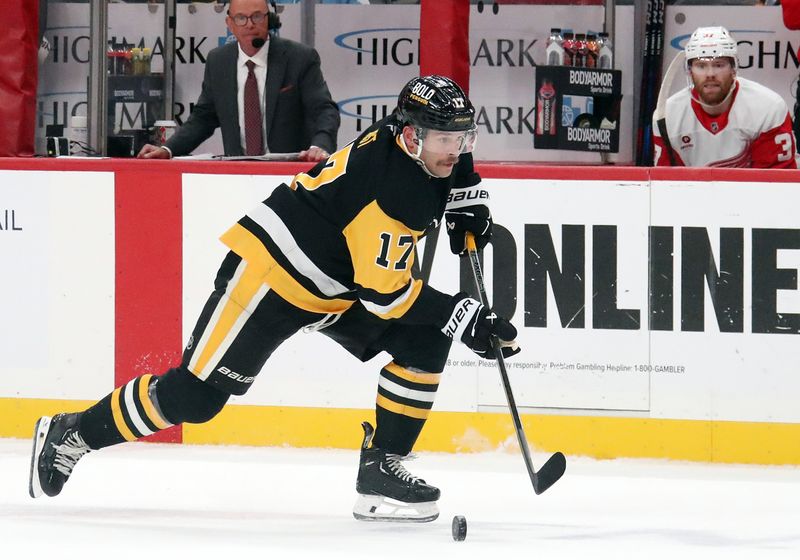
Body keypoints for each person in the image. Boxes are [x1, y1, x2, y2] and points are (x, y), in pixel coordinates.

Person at [29, 75, 520, 523]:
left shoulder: (413, 141)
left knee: (426, 342)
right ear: (410, 136)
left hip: (332, 283)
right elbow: (386, 297)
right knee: (195, 398)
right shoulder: (393, 193)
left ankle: (381, 471)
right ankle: (71, 433)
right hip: (271, 278)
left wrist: (466, 192)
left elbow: (453, 158)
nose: (455, 150)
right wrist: (464, 316)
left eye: (463, 139)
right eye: (445, 141)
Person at [138, 0, 340, 162]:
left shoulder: (300, 58)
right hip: (236, 173)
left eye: (257, 16)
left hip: (288, 173)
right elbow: (204, 118)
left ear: (269, 19)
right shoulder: (218, 61)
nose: (250, 24)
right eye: (241, 18)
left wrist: (320, 146)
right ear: (230, 24)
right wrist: (168, 149)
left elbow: (324, 110)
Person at [652, 26, 798, 168]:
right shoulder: (668, 115)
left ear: (734, 69)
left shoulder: (768, 107)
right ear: (690, 72)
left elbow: (773, 185)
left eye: (719, 65)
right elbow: (668, 184)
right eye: (701, 66)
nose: (710, 74)